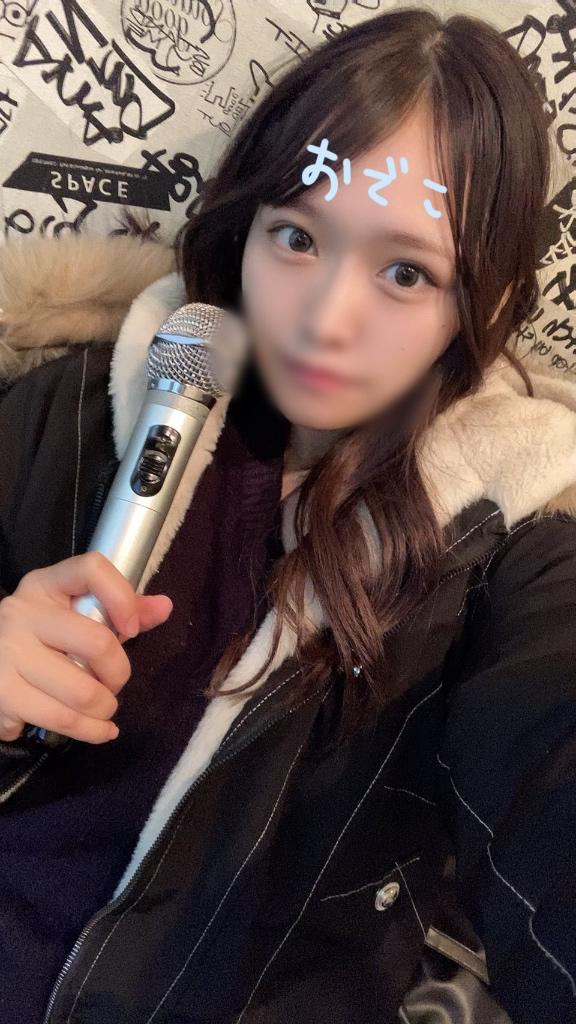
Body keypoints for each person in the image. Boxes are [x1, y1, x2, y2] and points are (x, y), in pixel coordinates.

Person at [0, 6, 574, 1023]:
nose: (324, 318)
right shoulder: (64, 409)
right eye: (298, 237)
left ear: (480, 306)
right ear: (245, 227)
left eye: (406, 271)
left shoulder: (512, 544)